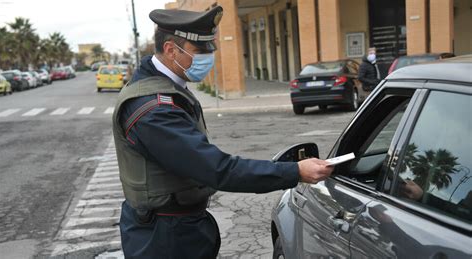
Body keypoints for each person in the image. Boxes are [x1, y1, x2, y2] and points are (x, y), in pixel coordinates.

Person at [112, 5, 334, 258]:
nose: (209, 57)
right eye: (199, 51)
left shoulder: (163, 87)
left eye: (210, 49)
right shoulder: (152, 109)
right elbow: (215, 169)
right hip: (164, 238)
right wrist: (295, 171)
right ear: (171, 50)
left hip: (176, 227)